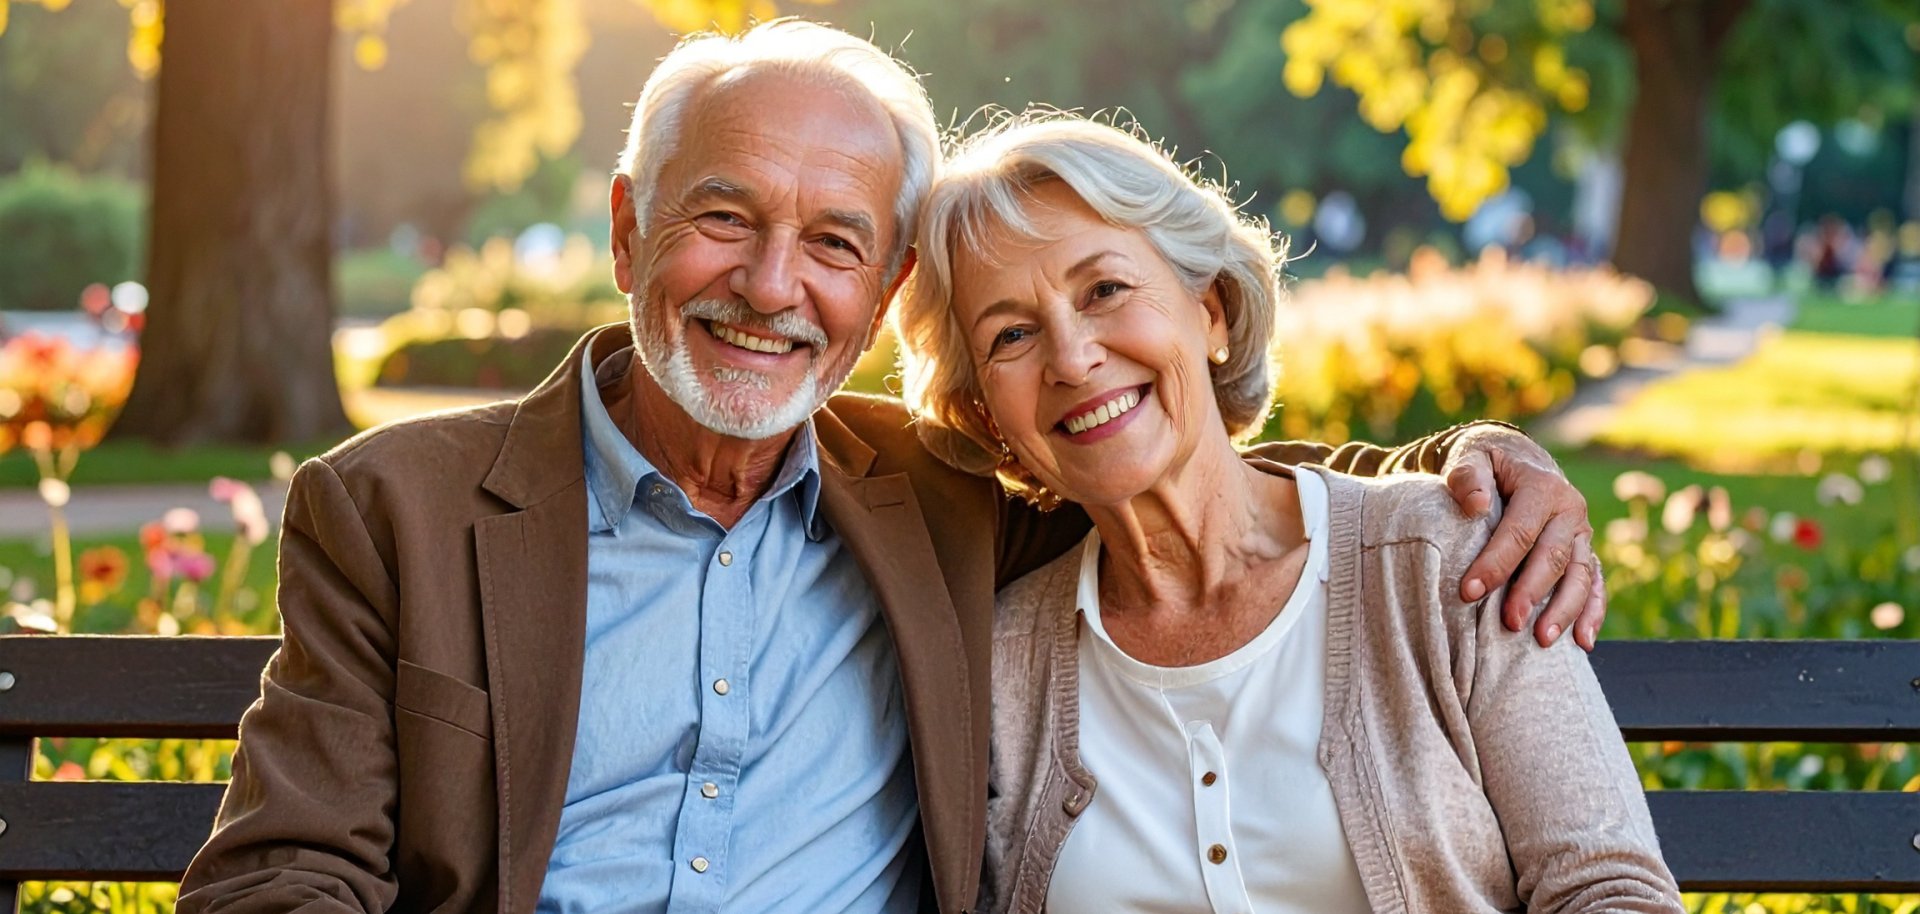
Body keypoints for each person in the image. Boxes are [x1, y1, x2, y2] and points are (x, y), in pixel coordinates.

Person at [179, 22, 1607, 914]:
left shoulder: (939, 500)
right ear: (627, 234)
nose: (771, 284)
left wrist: (1472, 463)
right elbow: (278, 876)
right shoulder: (397, 512)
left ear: (880, 292)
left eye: (836, 242)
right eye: (721, 218)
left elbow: (1179, 471)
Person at [892, 113, 1679, 913]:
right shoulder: (999, 667)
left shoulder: (1446, 562)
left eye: (1105, 290)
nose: (1071, 357)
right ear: (989, 415)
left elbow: (1611, 890)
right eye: (1013, 334)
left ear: (1212, 313)